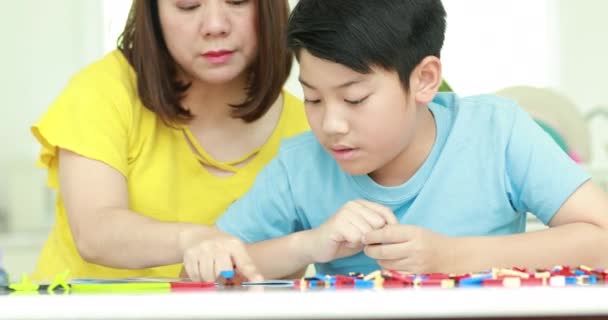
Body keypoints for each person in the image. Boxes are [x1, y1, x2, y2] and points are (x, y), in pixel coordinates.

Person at [182, 0, 608, 281]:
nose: (330, 124)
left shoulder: (496, 132)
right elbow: (208, 271)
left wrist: (449, 258)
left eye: (354, 98)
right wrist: (308, 244)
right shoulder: (301, 167)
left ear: (424, 80)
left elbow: (603, 238)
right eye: (312, 97)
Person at [30, 0, 308, 281]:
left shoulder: (313, 129)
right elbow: (95, 233)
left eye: (236, 1)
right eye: (188, 5)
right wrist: (196, 239)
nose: (215, 26)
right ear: (153, 13)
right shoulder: (103, 90)